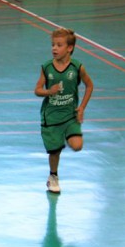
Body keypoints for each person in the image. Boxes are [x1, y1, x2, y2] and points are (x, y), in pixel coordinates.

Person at [34, 27, 93, 194]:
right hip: (51, 117)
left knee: (77, 145)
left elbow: (89, 85)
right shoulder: (47, 67)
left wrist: (82, 107)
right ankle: (53, 176)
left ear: (69, 48)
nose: (54, 48)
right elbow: (37, 90)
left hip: (70, 115)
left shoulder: (77, 67)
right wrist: (49, 91)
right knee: (55, 152)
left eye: (59, 45)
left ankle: (65, 134)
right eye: (53, 45)